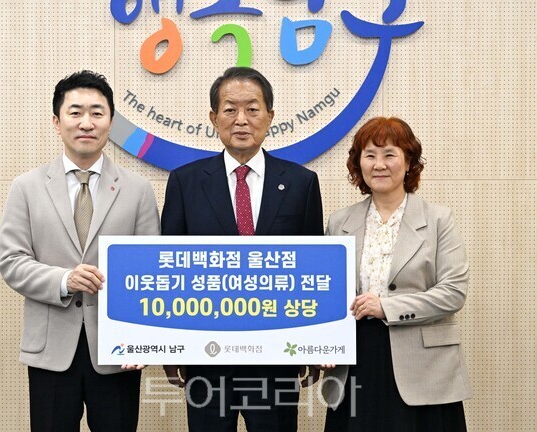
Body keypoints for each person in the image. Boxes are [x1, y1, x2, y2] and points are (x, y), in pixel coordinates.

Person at [161, 66, 324, 432]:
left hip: (276, 356)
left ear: (270, 116)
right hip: (206, 355)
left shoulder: (301, 183)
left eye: (252, 108)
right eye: (230, 109)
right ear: (213, 118)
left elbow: (313, 270)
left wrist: (314, 345)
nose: (241, 120)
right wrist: (171, 348)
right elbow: (171, 271)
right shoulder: (186, 182)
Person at [0, 70, 160, 432]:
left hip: (117, 349)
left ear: (111, 122)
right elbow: (11, 262)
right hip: (51, 350)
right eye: (75, 112)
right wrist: (64, 280)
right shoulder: (26, 187)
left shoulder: (138, 189)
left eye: (97, 113)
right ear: (57, 122)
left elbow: (150, 269)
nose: (86, 122)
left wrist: (144, 341)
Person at [321, 117, 471, 431]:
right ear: (358, 163)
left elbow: (453, 293)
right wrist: (324, 342)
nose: (379, 164)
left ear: (409, 162)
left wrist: (386, 307)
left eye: (389, 154)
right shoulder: (339, 222)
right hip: (357, 360)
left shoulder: (438, 220)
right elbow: (327, 293)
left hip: (423, 366)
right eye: (370, 155)